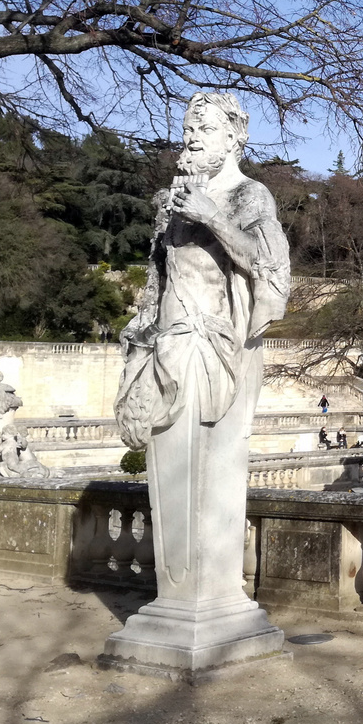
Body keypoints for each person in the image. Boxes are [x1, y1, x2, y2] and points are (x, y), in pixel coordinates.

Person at [106, 91, 290, 668]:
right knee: (173, 466)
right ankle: (178, 601)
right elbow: (156, 281)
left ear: (235, 139)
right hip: (169, 342)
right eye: (189, 128)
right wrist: (138, 338)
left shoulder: (249, 195)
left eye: (205, 129)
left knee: (214, 465)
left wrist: (211, 217)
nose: (192, 138)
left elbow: (269, 270)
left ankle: (212, 601)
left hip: (221, 346)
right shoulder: (167, 200)